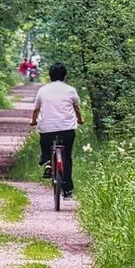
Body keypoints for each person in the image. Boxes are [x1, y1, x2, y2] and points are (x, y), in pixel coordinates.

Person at [29, 62, 83, 197]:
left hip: (47, 129)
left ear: (50, 75)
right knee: (67, 157)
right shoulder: (70, 90)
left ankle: (47, 160)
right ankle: (68, 190)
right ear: (65, 76)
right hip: (67, 129)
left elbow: (36, 109)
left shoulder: (43, 90)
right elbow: (76, 107)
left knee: (45, 142)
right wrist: (80, 119)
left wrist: (33, 121)